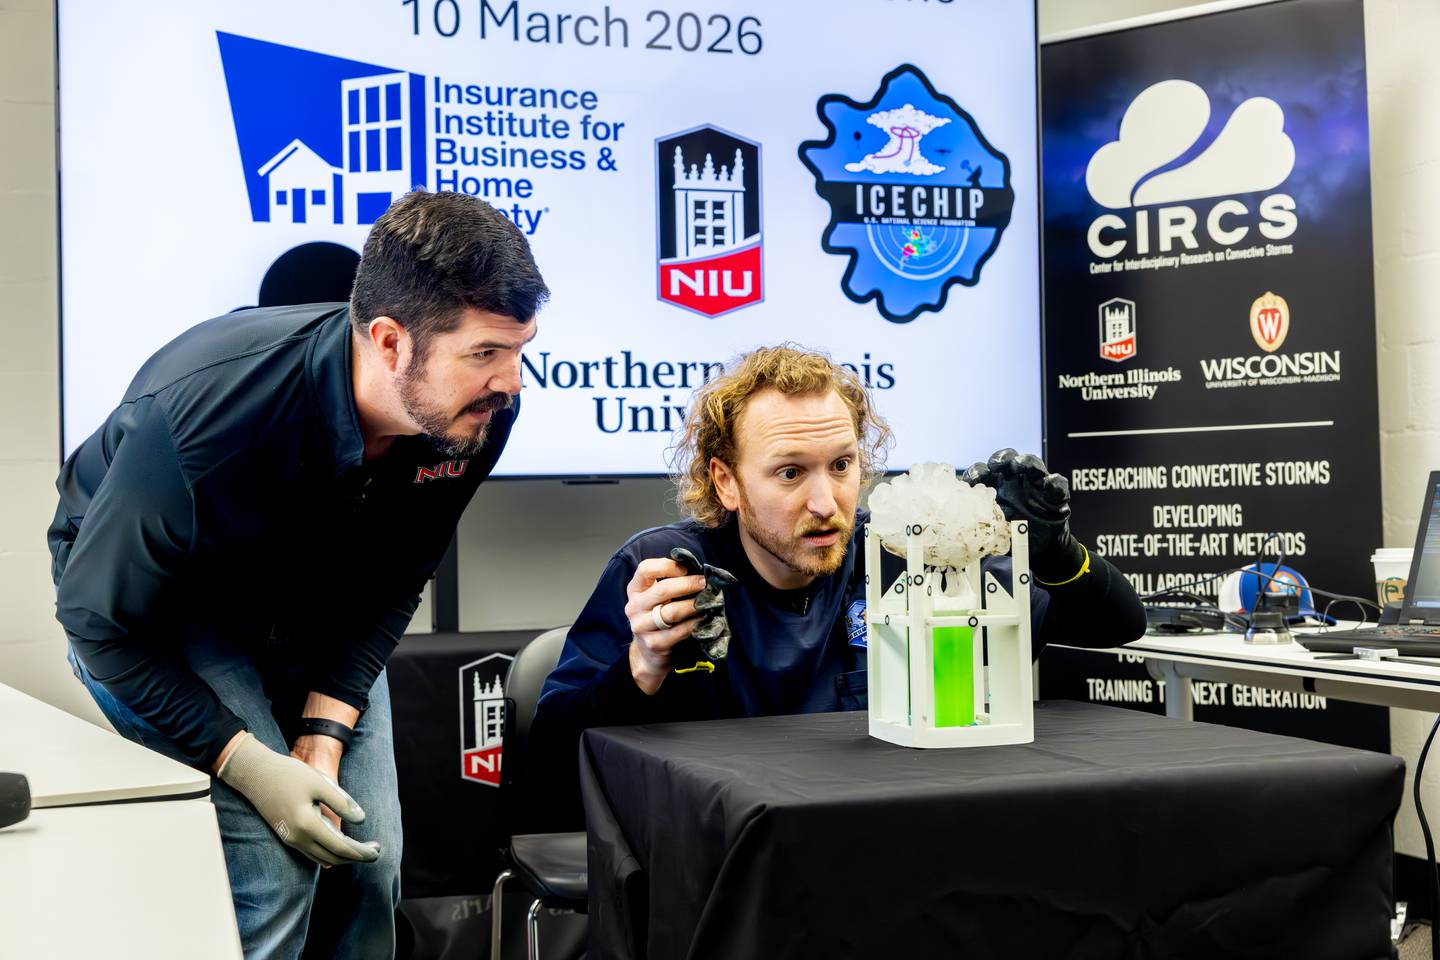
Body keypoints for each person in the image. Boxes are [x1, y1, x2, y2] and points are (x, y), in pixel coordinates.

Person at [47, 190, 548, 960]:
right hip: (164, 617)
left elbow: (392, 580)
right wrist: (245, 761)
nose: (510, 383)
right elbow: (99, 626)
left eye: (519, 350)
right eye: (484, 353)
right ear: (389, 341)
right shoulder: (201, 421)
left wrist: (325, 725)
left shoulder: (476, 416)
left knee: (367, 860)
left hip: (314, 606)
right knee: (278, 868)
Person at [530, 345, 1146, 828]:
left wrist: (1057, 553)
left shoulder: (901, 551)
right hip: (722, 857)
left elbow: (1116, 626)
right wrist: (642, 666)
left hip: (880, 840)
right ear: (726, 482)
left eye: (843, 466)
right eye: (790, 473)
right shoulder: (667, 570)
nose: (826, 503)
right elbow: (549, 771)